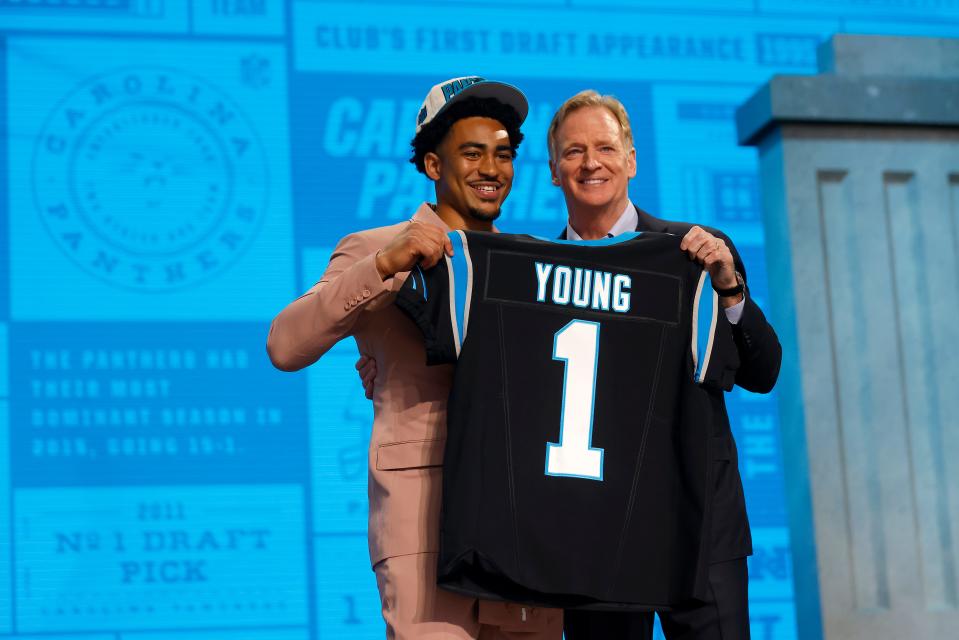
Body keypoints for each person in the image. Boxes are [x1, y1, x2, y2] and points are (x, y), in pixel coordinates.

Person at [267, 76, 562, 639]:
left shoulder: (533, 263)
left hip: (523, 519)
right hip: (424, 520)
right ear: (432, 164)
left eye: (503, 155)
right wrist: (384, 267)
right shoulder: (376, 247)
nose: (490, 169)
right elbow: (285, 344)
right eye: (470, 153)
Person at [550, 91, 781, 639]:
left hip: (701, 527)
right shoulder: (540, 274)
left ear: (631, 159)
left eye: (605, 147)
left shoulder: (695, 252)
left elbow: (763, 372)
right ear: (553, 170)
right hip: (594, 534)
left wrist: (730, 291)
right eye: (573, 151)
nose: (591, 163)